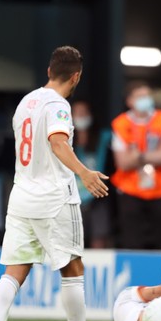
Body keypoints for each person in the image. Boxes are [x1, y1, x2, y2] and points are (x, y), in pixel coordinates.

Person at [0, 46, 109, 321]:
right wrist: (84, 173)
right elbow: (57, 141)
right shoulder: (59, 106)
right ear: (76, 76)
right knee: (73, 268)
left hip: (22, 195)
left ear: (49, 71)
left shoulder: (26, 102)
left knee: (15, 270)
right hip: (53, 198)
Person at [110, 82, 161, 250]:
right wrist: (155, 155)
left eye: (147, 95)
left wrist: (139, 156)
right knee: (132, 242)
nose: (145, 100)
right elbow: (123, 162)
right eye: (140, 96)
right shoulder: (120, 124)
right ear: (129, 101)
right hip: (131, 191)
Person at [71, 100, 112, 248]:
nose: (81, 116)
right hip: (71, 197)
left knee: (99, 237)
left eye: (84, 113)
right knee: (71, 240)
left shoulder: (103, 138)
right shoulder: (64, 140)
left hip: (97, 196)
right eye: (77, 113)